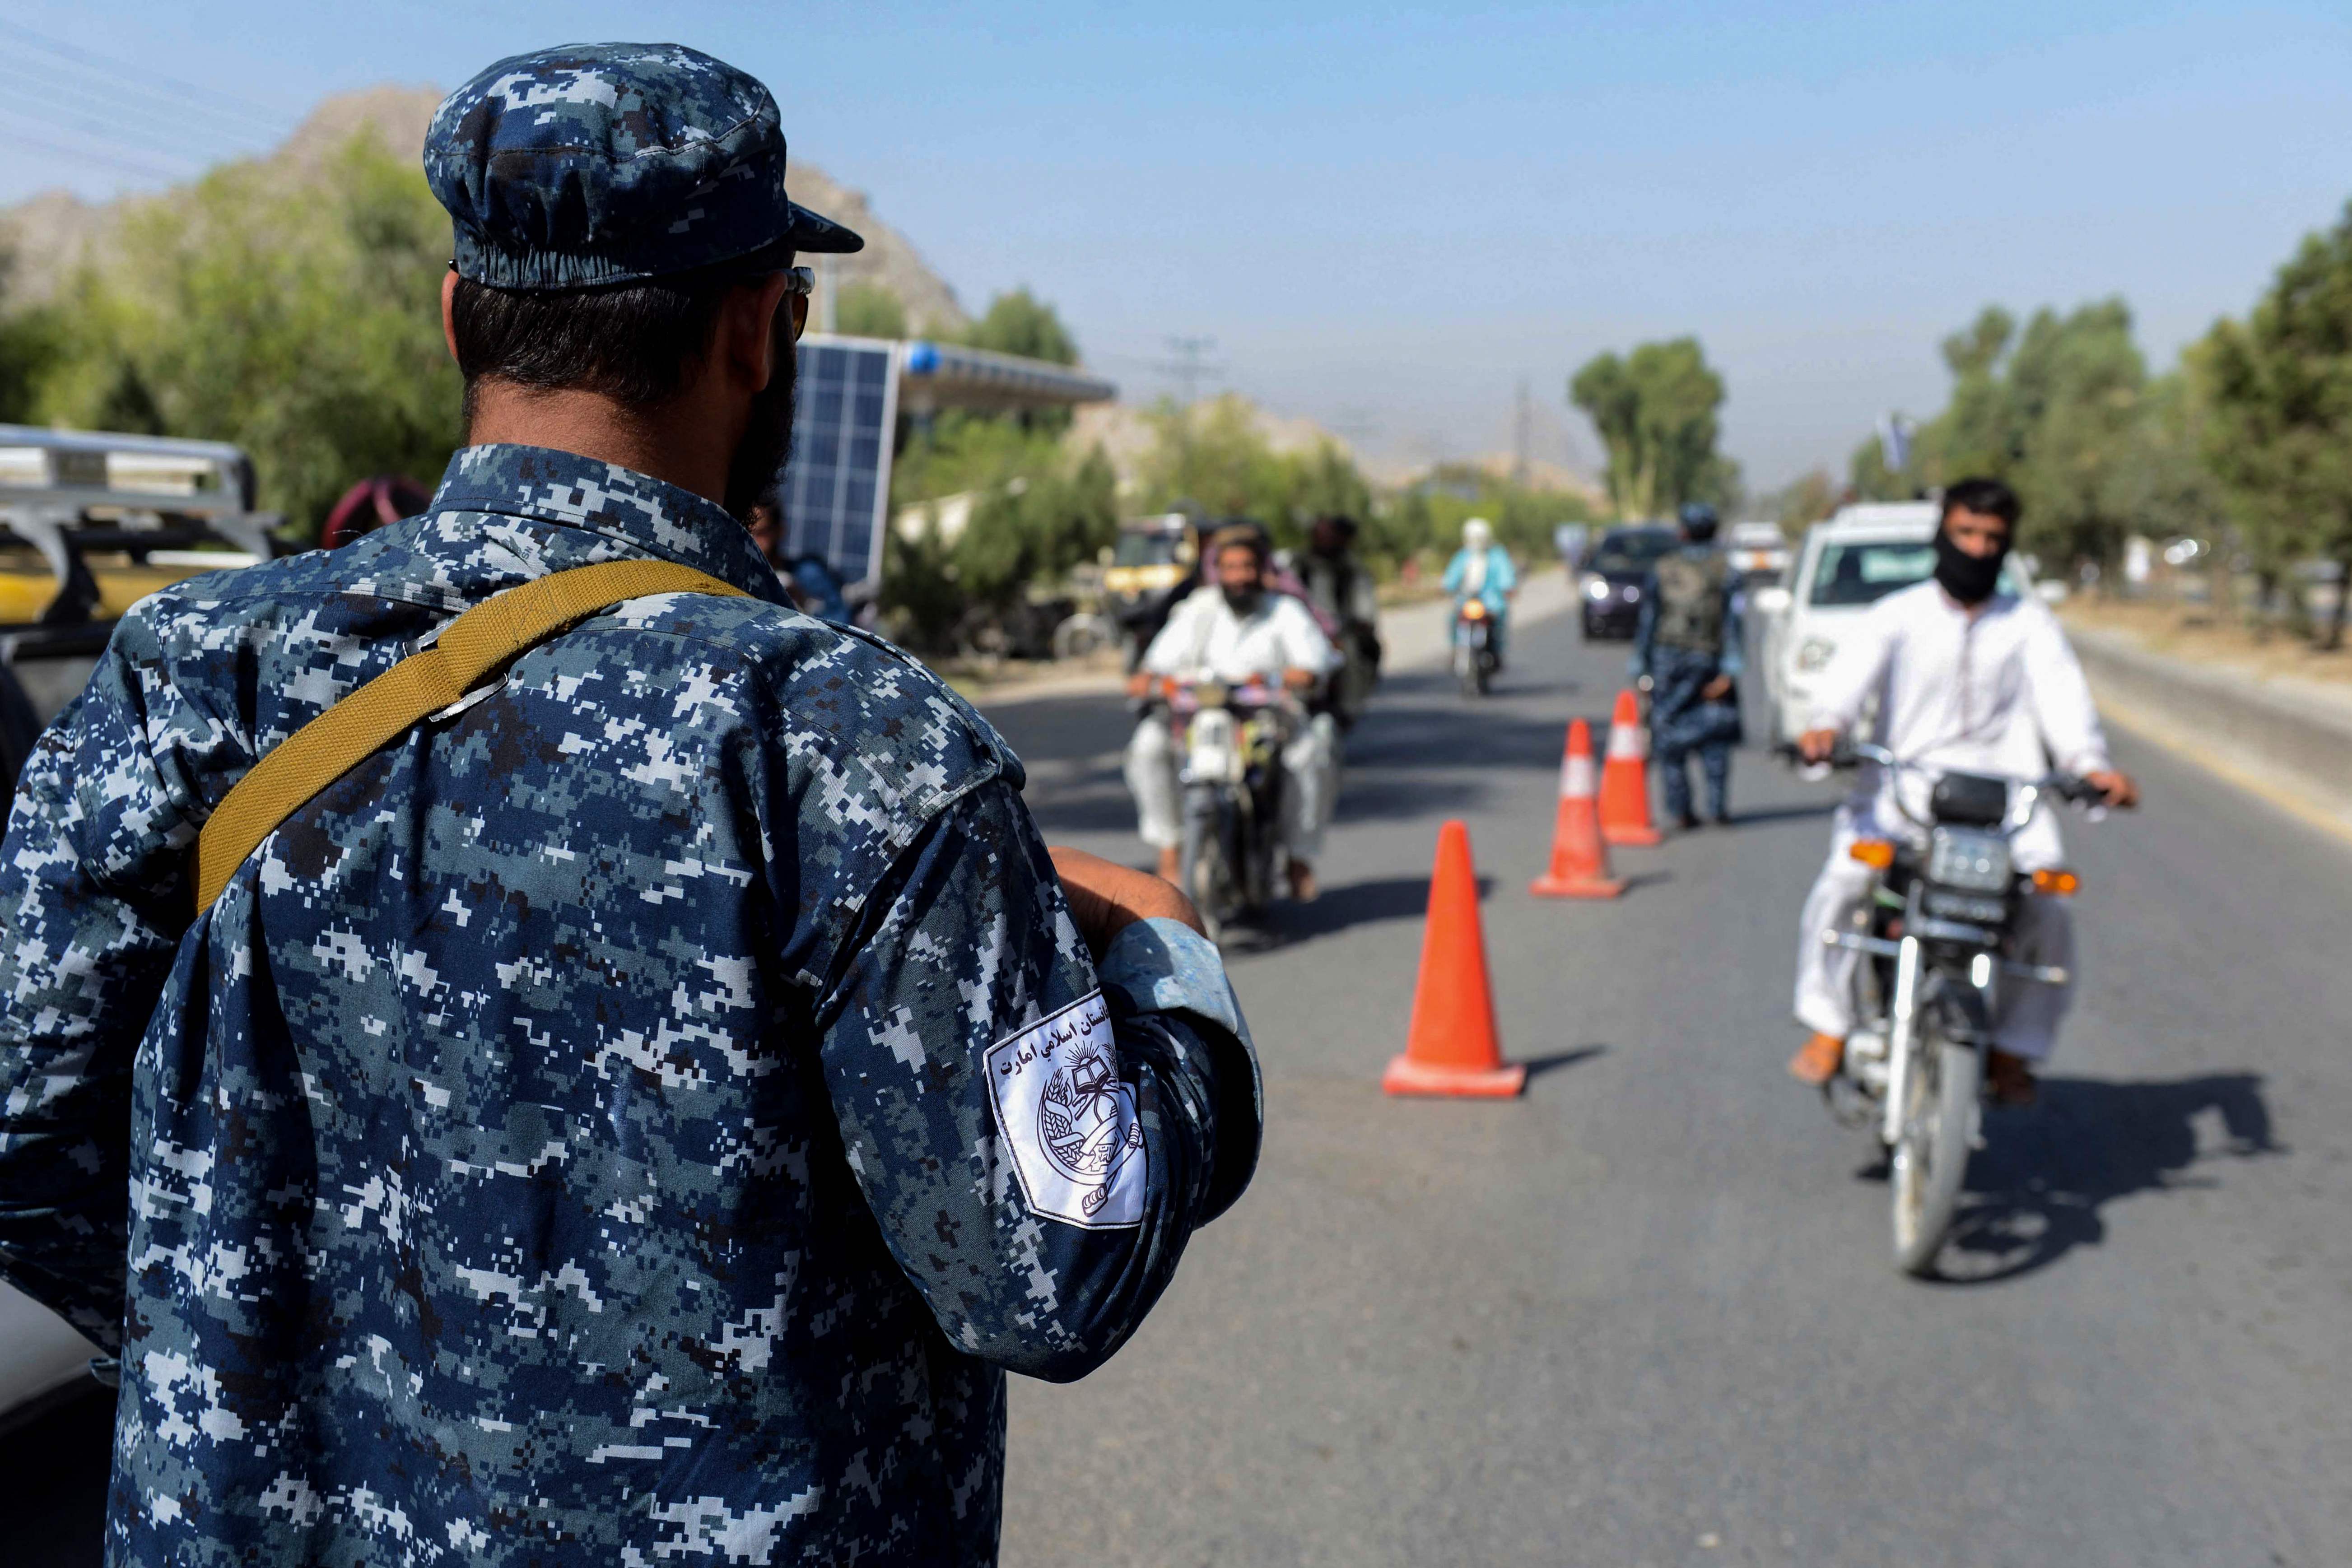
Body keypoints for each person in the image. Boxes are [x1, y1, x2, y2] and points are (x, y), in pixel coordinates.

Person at [0, 43, 1260, 1567]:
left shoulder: (193, 674)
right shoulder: (846, 737)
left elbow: (23, 1122)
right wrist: (1172, 977)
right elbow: (1050, 1267)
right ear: (758, 329)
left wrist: (247, 1332)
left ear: (460, 315)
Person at [1788, 477, 2138, 1103]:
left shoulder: (2029, 625)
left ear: (2007, 546)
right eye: (1966, 534)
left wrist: (2091, 766)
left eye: (1992, 538)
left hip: (2007, 810)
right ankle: (1829, 1025)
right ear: (1942, 536)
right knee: (1843, 884)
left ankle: (2013, 1049)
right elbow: (1843, 689)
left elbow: (2065, 707)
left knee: (2050, 910)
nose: (1977, 549)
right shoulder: (1896, 615)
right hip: (1903, 801)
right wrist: (1825, 727)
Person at [1126, 523, 1340, 900]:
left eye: (1246, 566)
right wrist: (1148, 678)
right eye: (1230, 567)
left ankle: (1298, 856)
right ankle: (1170, 848)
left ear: (1261, 569)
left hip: (1267, 720)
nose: (1238, 576)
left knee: (1310, 755)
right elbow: (1158, 662)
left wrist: (1300, 673)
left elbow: (1315, 659)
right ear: (1217, 571)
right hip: (1197, 718)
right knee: (1148, 746)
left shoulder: (1284, 610)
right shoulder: (1197, 609)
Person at [1632, 501, 1744, 828]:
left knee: (1669, 737)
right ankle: (1716, 807)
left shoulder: (1662, 568)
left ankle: (1681, 811)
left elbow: (1648, 621)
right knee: (1716, 736)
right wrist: (1730, 669)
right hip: (1710, 662)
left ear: (1682, 532)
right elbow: (1734, 622)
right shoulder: (1727, 570)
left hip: (1668, 662)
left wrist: (1642, 666)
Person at [1296, 513, 1382, 727]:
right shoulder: (1299, 564)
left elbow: (1364, 602)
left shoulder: (1351, 567)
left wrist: (1362, 624)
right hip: (1303, 630)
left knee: (1359, 657)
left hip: (1343, 632)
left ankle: (1348, 707)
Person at [1442, 516, 1517, 665]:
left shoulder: (1497, 555)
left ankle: (1496, 653)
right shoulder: (1463, 556)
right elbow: (1451, 577)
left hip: (1491, 603)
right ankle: (1457, 649)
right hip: (1467, 601)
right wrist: (1446, 588)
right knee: (1453, 620)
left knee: (1499, 623)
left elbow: (1505, 576)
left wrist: (1508, 588)